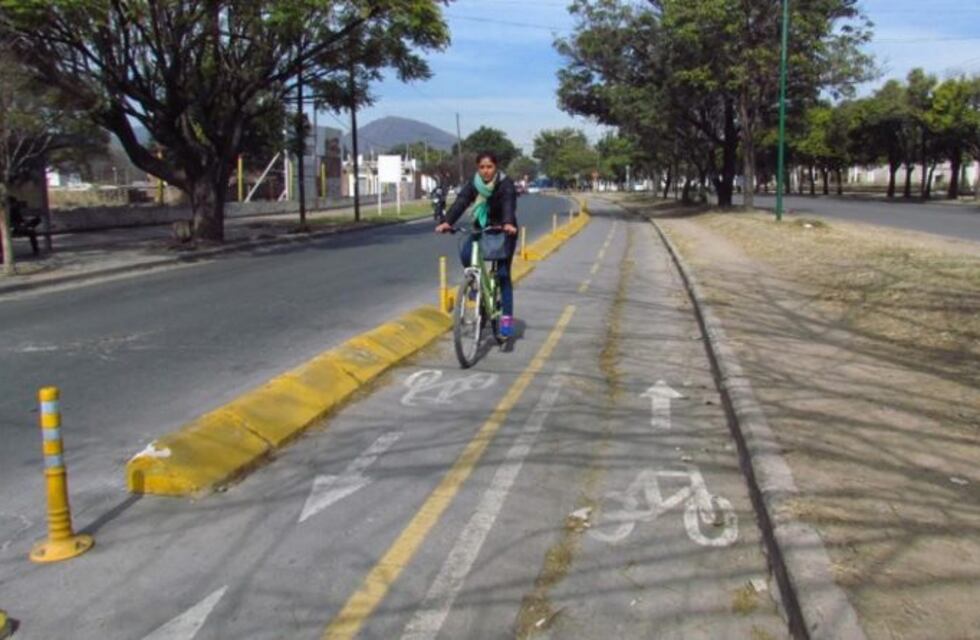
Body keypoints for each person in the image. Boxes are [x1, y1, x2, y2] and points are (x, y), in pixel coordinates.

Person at [436, 152, 519, 337]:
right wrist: (448, 221)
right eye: (482, 167)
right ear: (477, 168)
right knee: (466, 254)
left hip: (504, 229)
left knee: (504, 274)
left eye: (489, 167)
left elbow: (508, 203)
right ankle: (476, 286)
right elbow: (462, 201)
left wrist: (507, 222)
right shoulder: (474, 183)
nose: (486, 171)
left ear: (496, 167)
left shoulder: (505, 184)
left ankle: (506, 319)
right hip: (481, 228)